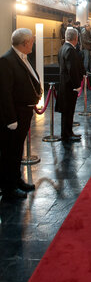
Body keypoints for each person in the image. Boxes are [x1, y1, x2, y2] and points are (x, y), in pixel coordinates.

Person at [0, 29, 42, 200]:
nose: (33, 43)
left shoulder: (22, 57)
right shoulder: (6, 60)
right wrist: (11, 119)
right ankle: (8, 188)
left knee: (17, 150)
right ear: (25, 43)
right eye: (32, 41)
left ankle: (16, 180)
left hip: (24, 112)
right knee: (9, 152)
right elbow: (4, 92)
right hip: (15, 115)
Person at [55, 28, 84, 142]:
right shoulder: (70, 50)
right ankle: (67, 134)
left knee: (67, 111)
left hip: (65, 84)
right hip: (69, 86)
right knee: (68, 110)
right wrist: (77, 85)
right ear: (76, 38)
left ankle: (67, 132)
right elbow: (72, 69)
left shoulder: (62, 48)